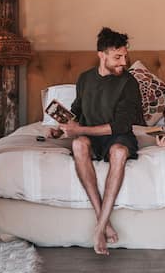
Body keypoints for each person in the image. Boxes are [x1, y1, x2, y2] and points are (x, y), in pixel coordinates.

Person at [48, 26, 142, 255]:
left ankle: (99, 228)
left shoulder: (129, 83)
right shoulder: (85, 79)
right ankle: (104, 219)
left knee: (119, 152)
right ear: (102, 55)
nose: (123, 62)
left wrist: (79, 128)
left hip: (118, 136)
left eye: (125, 56)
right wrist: (62, 130)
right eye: (117, 57)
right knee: (79, 144)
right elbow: (77, 111)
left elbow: (122, 125)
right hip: (89, 135)